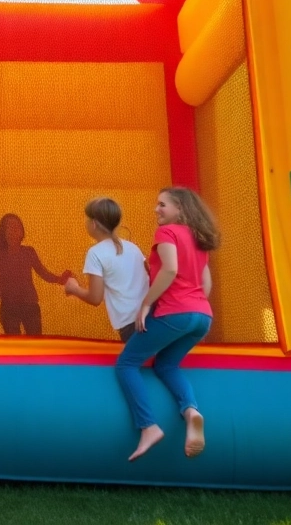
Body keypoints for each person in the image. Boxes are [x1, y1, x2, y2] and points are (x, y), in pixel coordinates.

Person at [116, 187, 216, 463]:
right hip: (202, 315)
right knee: (166, 365)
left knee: (127, 363)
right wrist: (191, 304)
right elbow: (206, 284)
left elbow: (171, 269)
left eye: (162, 205)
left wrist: (147, 304)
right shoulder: (198, 238)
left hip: (176, 312)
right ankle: (191, 412)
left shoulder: (167, 232)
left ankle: (149, 426)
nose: (156, 209)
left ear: (180, 209)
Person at [64, 197, 149, 342]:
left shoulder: (95, 253)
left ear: (94, 224)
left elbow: (95, 298)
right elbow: (149, 274)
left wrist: (74, 288)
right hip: (151, 316)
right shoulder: (133, 247)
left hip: (131, 323)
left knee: (131, 363)